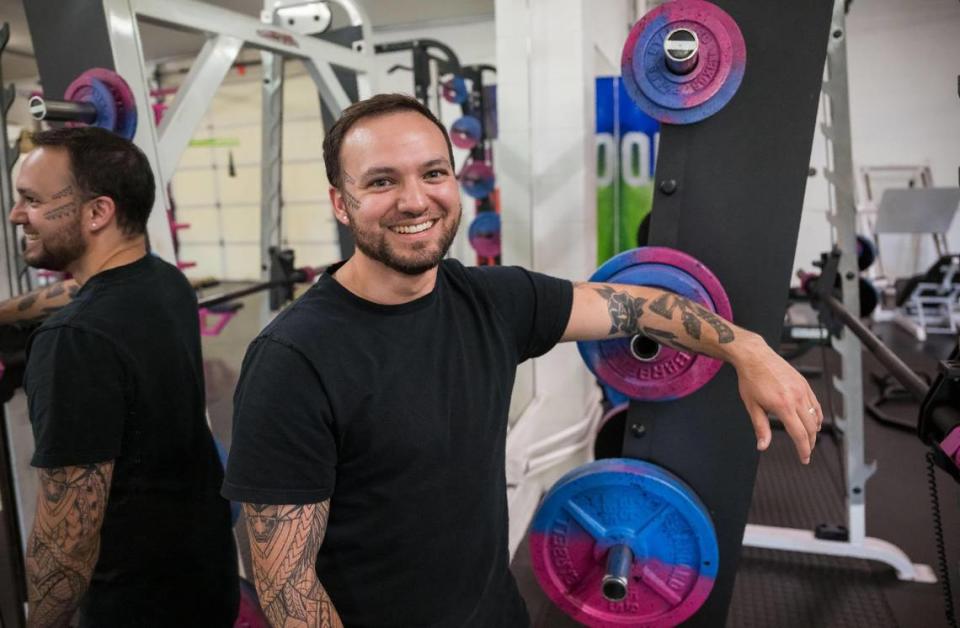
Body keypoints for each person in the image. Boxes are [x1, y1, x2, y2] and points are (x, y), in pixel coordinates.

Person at [223, 93, 822, 628]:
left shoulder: (491, 300)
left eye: (433, 173)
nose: (414, 200)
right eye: (381, 182)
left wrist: (746, 347)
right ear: (340, 202)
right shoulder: (294, 360)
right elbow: (286, 584)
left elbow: (634, 305)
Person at [11, 127, 239, 627]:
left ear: (97, 212)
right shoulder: (164, 282)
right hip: (203, 583)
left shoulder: (73, 340)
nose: (16, 215)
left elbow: (66, 544)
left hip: (132, 607)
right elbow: (79, 294)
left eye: (31, 200)